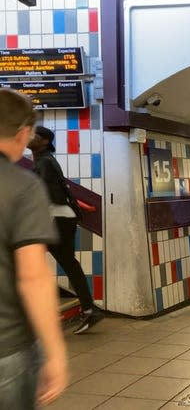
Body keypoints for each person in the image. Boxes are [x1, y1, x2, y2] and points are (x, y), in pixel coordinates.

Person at [0, 89, 68, 408]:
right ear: (23, 134)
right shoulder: (23, 186)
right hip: (7, 347)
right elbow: (33, 278)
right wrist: (55, 352)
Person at [28, 126, 104, 334]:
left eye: (33, 135)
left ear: (44, 141)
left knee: (26, 261)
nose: (28, 137)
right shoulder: (44, 160)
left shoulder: (45, 162)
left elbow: (50, 194)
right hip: (60, 219)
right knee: (68, 264)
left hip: (56, 219)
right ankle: (89, 309)